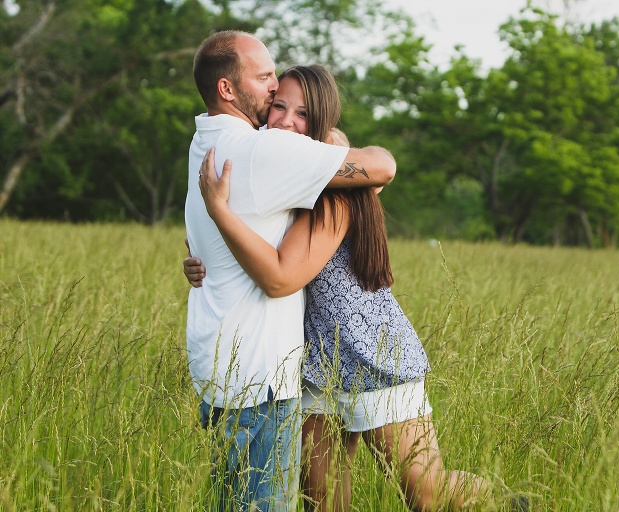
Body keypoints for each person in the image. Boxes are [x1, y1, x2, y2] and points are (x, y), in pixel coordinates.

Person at [185, 64, 529, 512]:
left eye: (303, 114)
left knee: (427, 495)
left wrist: (336, 145)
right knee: (322, 502)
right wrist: (198, 260)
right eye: (278, 107)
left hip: (370, 349)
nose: (286, 121)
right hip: (306, 362)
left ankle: (513, 504)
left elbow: (283, 273)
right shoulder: (276, 171)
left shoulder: (340, 190)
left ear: (323, 122)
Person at [185, 30, 397, 512]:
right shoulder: (265, 152)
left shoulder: (205, 141)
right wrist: (334, 146)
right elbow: (382, 167)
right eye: (264, 79)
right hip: (258, 376)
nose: (273, 84)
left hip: (219, 367)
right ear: (227, 89)